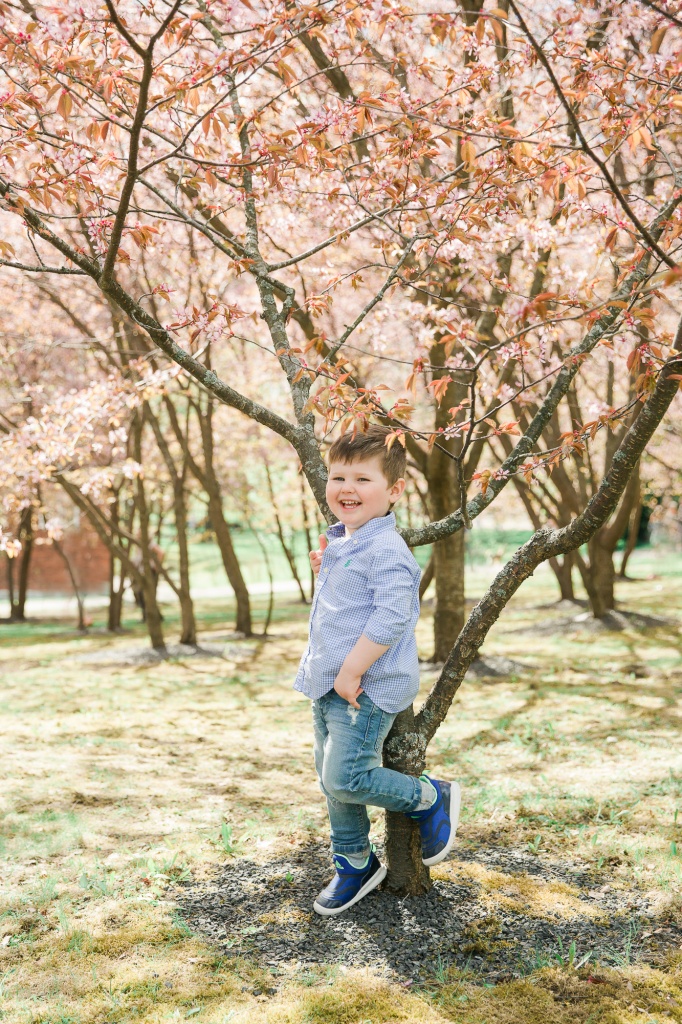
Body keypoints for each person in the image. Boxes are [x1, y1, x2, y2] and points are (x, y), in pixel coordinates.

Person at [295, 424, 461, 916]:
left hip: (364, 687)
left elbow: (393, 615)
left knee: (346, 778)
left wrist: (351, 671)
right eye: (339, 477)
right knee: (330, 778)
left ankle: (427, 797)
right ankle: (354, 862)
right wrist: (325, 568)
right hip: (328, 681)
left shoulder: (387, 550)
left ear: (394, 490)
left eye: (363, 479)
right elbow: (350, 603)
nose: (347, 489)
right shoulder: (345, 541)